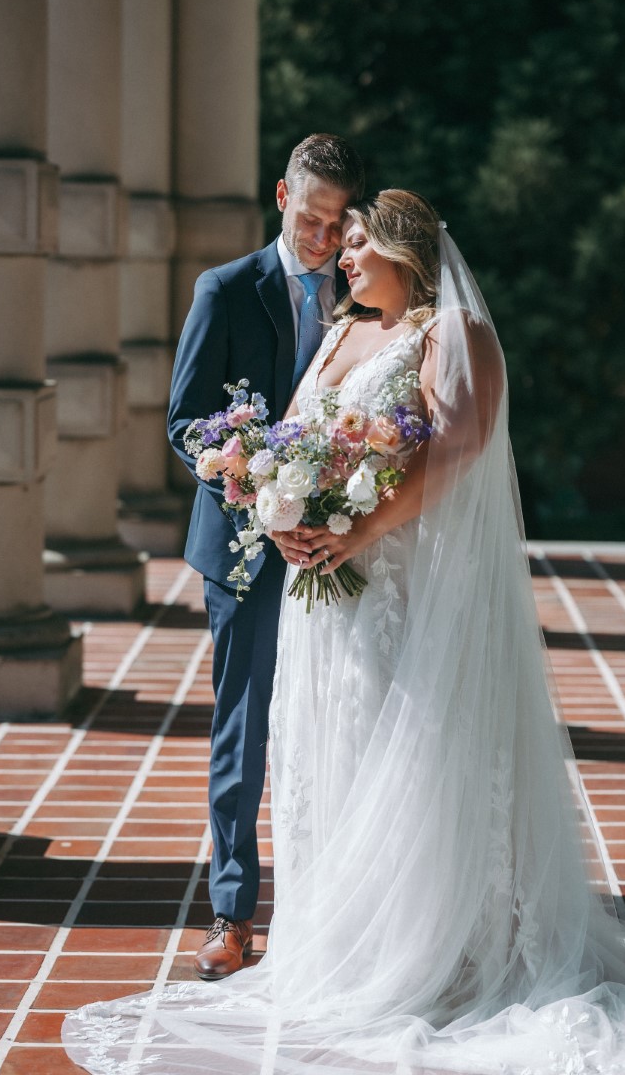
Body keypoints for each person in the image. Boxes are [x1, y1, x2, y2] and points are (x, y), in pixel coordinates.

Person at [65, 191, 625, 1074]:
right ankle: (352, 944)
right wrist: (284, 510)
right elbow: (301, 441)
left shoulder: (453, 333)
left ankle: (443, 952)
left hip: (402, 590)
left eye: (359, 238)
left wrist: (356, 532)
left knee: (413, 756)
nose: (341, 251)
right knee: (338, 754)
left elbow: (460, 453)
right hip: (327, 596)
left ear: (405, 248)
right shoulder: (342, 333)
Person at [165, 133, 364, 980]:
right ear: (282, 198)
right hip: (248, 545)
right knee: (243, 728)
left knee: (342, 723)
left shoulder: (366, 297)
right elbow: (185, 424)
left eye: (336, 226)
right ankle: (232, 912)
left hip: (340, 546)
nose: (322, 241)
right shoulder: (224, 290)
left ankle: (341, 913)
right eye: (311, 221)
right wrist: (259, 492)